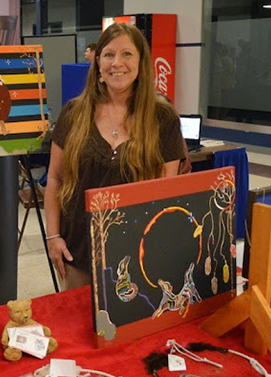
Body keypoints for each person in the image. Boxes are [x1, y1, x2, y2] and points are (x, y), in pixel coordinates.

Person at [45, 23, 185, 290]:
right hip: (78, 252)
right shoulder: (73, 113)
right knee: (78, 326)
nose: (116, 63)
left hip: (141, 256)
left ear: (141, 62)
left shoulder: (162, 118)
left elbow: (168, 192)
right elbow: (54, 178)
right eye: (108, 54)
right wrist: (53, 236)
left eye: (127, 54)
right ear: (97, 62)